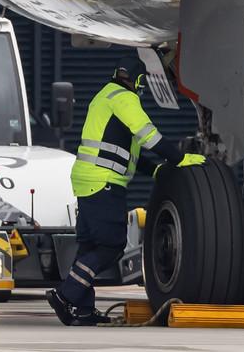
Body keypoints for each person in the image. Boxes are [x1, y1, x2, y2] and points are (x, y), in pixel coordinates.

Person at [47, 65, 197, 327]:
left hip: (88, 180)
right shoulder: (125, 99)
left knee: (90, 247)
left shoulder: (104, 95)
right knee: (111, 244)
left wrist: (155, 170)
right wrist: (180, 158)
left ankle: (81, 310)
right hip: (104, 182)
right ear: (137, 81)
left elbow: (127, 152)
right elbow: (149, 136)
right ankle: (65, 294)